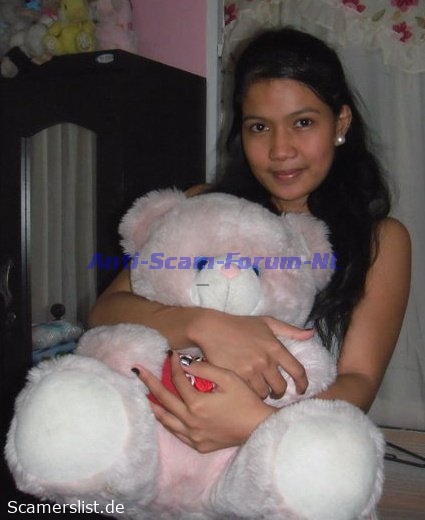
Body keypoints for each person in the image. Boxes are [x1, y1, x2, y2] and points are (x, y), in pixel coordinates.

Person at [88, 27, 411, 453]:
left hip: (298, 458)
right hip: (175, 455)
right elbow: (106, 311)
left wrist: (254, 424)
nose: (281, 150)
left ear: (341, 122)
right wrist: (206, 327)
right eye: (260, 126)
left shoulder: (379, 240)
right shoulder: (204, 207)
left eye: (303, 122)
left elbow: (359, 381)